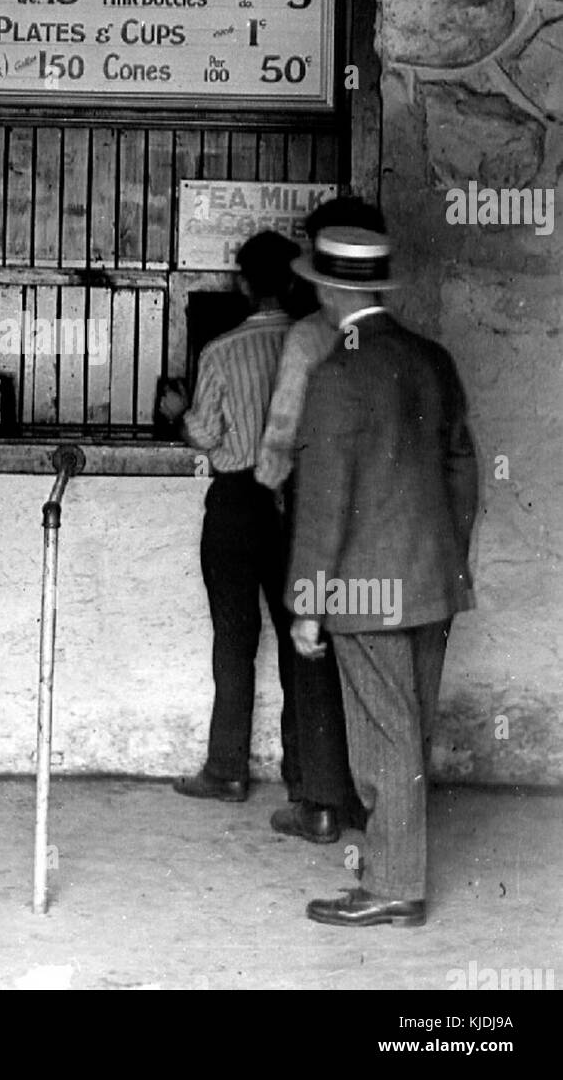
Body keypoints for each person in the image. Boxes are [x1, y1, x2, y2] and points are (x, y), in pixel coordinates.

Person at [283, 228, 478, 927]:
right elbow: (462, 466)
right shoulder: (432, 359)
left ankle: (394, 884)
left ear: (330, 290)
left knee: (383, 734)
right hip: (432, 581)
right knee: (411, 729)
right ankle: (399, 867)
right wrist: (448, 558)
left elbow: (325, 497)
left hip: (367, 591)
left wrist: (309, 601)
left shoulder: (338, 374)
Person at [255, 198, 386, 845]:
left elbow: (280, 438)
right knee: (360, 657)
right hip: (375, 517)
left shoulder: (308, 336)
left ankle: (321, 803)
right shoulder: (391, 332)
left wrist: (271, 490)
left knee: (306, 654)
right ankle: (365, 801)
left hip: (312, 508)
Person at [160, 230, 301, 803]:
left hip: (238, 502)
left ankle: (227, 771)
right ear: (293, 281)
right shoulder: (312, 344)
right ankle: (306, 781)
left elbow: (205, 433)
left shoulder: (220, 351)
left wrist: (178, 413)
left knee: (234, 639)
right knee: (302, 642)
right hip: (298, 504)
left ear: (243, 284)